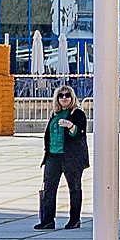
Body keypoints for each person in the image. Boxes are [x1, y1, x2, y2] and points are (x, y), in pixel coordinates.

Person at [33, 85, 89, 230]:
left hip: (71, 157)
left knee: (74, 188)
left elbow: (80, 134)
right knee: (49, 188)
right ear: (57, 99)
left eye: (67, 95)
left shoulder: (77, 114)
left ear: (72, 98)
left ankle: (74, 219)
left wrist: (71, 126)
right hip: (53, 155)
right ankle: (47, 220)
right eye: (61, 96)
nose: (64, 98)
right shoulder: (55, 114)